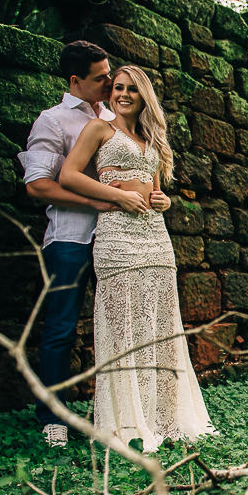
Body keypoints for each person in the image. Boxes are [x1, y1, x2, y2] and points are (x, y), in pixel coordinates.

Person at [59, 65, 217, 453]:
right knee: (123, 327)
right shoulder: (99, 129)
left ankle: (163, 416)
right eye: (117, 88)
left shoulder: (152, 139)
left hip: (155, 239)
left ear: (143, 95)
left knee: (160, 326)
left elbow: (156, 190)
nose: (123, 94)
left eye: (131, 89)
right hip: (117, 236)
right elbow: (69, 175)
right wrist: (116, 195)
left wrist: (163, 201)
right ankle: (126, 419)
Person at [18, 41, 119, 448]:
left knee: (119, 325)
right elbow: (37, 185)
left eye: (110, 73)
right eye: (100, 78)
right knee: (61, 328)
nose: (110, 82)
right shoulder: (53, 120)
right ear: (75, 80)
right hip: (70, 238)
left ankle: (116, 415)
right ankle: (53, 419)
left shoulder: (117, 117)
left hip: (117, 237)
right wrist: (93, 201)